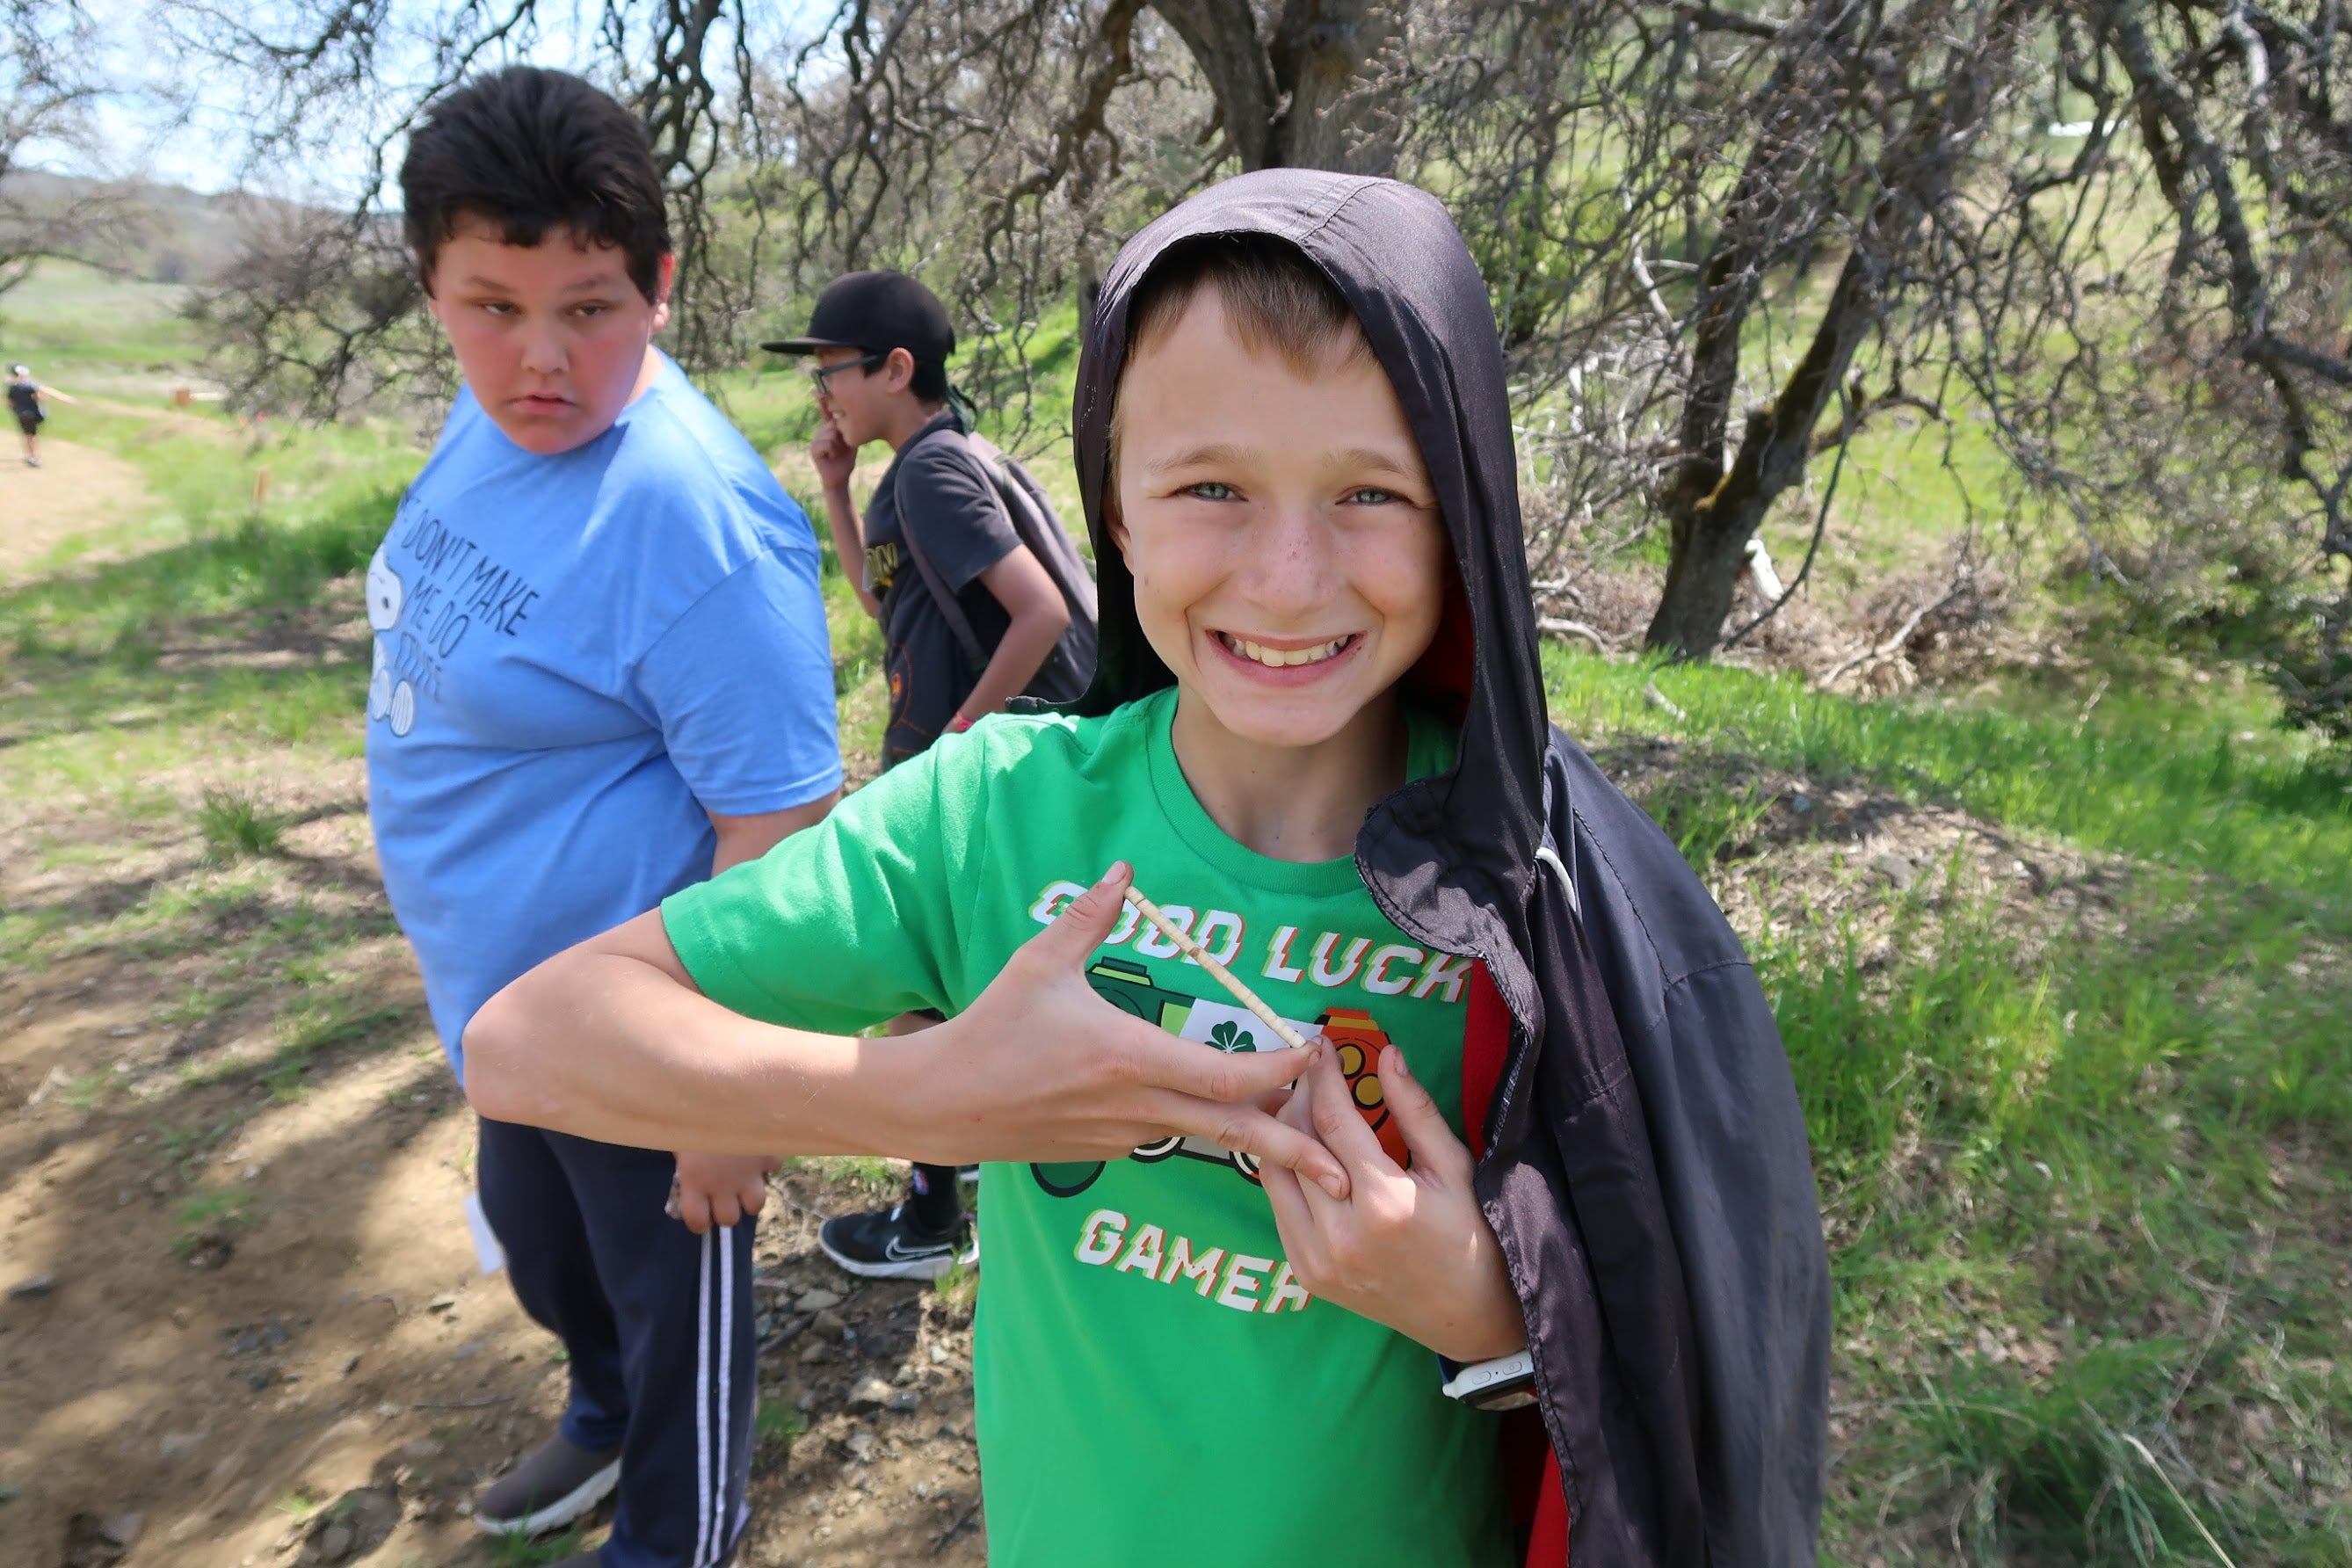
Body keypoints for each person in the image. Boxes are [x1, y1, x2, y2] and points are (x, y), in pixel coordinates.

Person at [465, 171, 1830, 1565]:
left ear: (1466, 515)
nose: (1289, 577)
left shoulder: (1545, 894)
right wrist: (936, 1095)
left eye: (1373, 490)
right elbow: (525, 1045)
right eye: (1210, 488)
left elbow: (1695, 1380)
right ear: (1114, 510)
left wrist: (1487, 1300)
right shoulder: (995, 819)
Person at [366, 67, 842, 1568]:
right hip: (504, 1001)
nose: (541, 360)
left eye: (590, 308)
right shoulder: (489, 402)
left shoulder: (692, 519)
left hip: (643, 1032)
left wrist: (721, 1096)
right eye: (490, 305)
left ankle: (677, 1523)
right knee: (545, 1251)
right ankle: (601, 1402)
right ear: (434, 287)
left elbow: (782, 820)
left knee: (667, 1293)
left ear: (661, 283)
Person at [763, 271, 1081, 1278]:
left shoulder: (935, 476)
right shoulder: (924, 468)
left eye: (833, 374)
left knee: (911, 977)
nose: (826, 397)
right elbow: (880, 599)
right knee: (954, 972)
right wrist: (833, 490)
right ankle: (971, 1158)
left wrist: (955, 745)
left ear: (896, 368)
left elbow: (1043, 615)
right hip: (987, 761)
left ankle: (932, 1217)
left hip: (975, 764)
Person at [9, 365, 76, 467]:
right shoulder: (29, 385)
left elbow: (10, 403)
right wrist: (66, 398)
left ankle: (32, 456)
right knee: (31, 436)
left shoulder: (14, 387)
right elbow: (43, 394)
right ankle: (33, 457)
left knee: (28, 436)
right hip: (33, 414)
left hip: (22, 414)